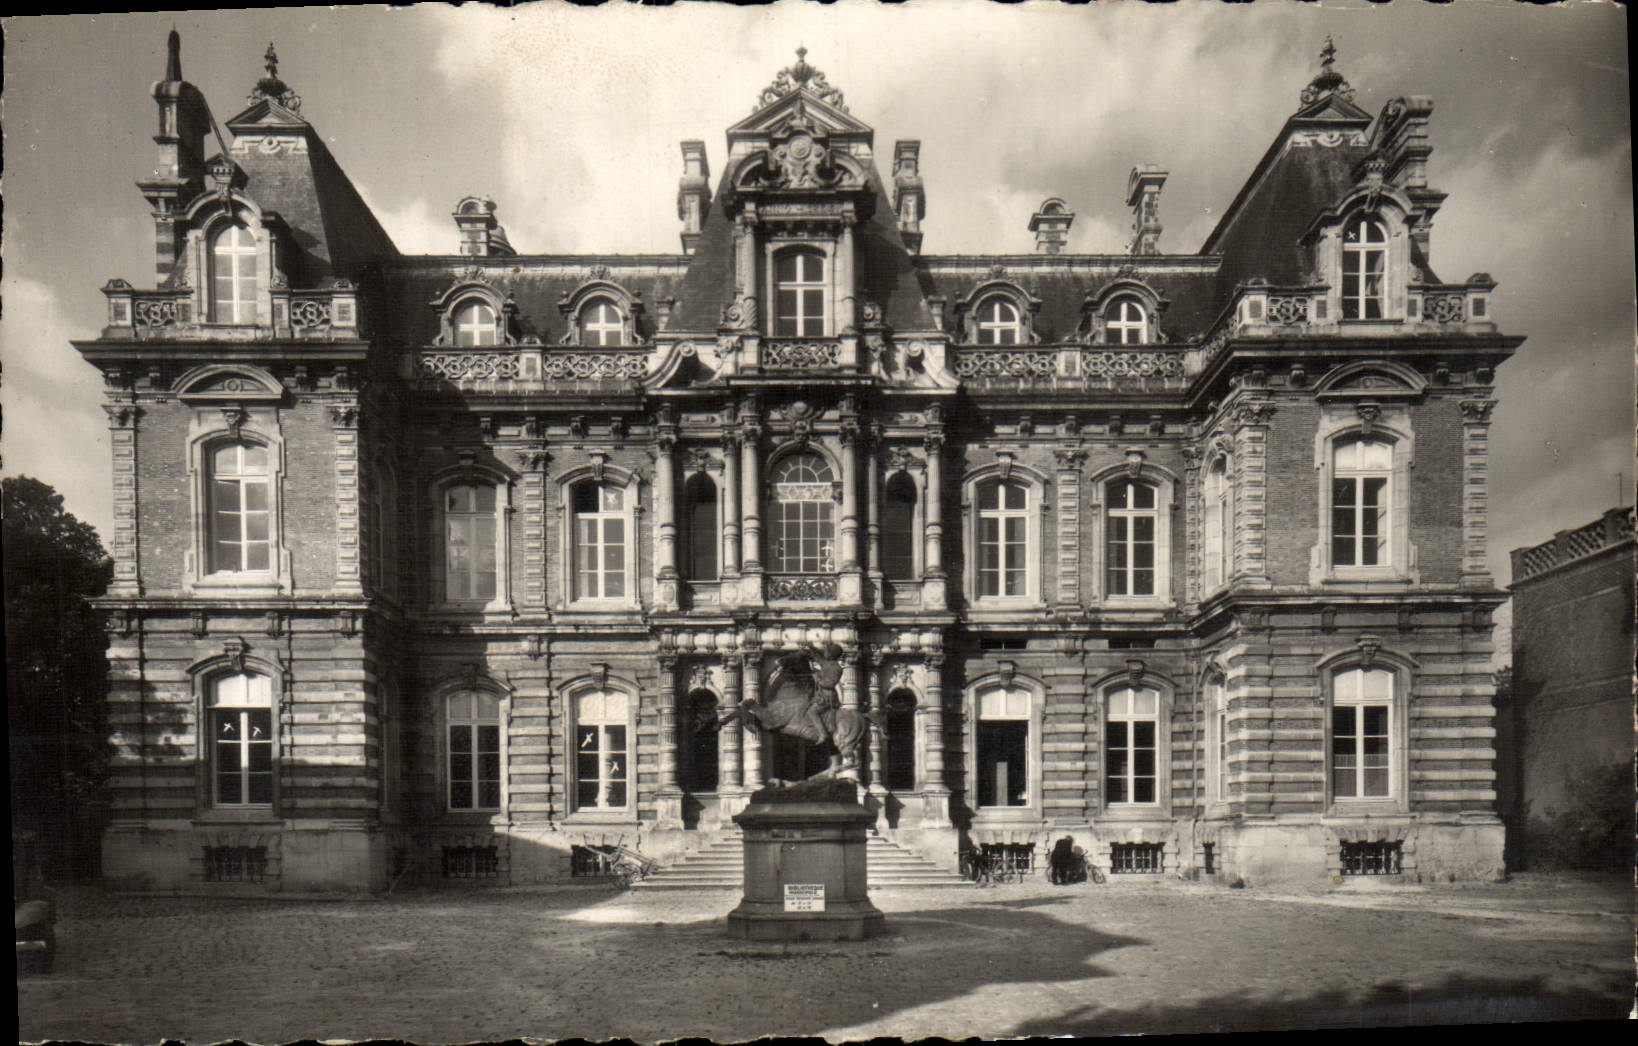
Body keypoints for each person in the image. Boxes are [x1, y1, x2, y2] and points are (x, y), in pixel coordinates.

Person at [795, 642, 844, 746]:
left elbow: (829, 684)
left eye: (826, 651)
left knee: (812, 712)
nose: (824, 653)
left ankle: (823, 733)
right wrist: (811, 648)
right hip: (820, 694)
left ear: (831, 654)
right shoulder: (827, 663)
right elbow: (818, 659)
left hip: (827, 696)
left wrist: (816, 677)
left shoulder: (837, 668)